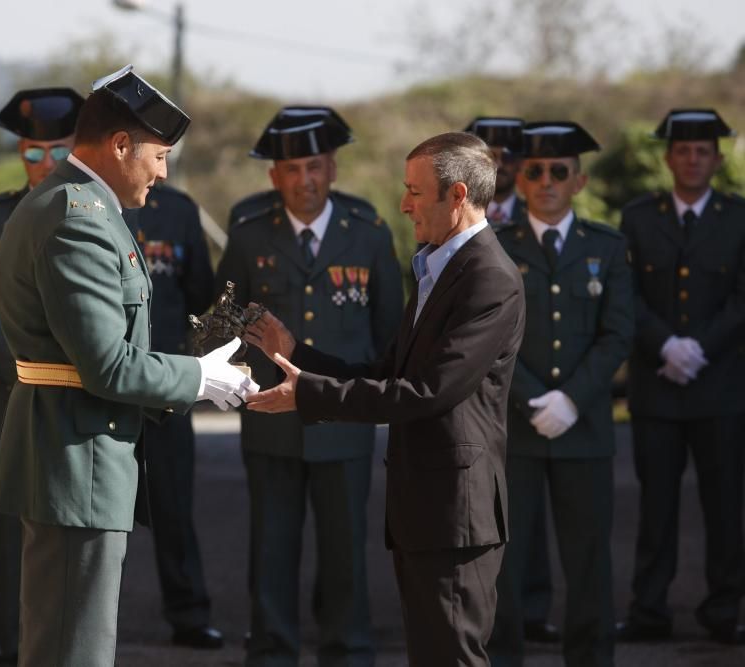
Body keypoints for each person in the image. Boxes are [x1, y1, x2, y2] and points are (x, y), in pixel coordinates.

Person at [0, 65, 257, 667]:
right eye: (159, 156)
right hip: (77, 454)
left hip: (72, 449)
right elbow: (108, 365)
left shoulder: (73, 204)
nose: (162, 172)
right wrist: (200, 379)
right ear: (119, 145)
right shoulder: (80, 218)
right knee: (73, 647)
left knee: (65, 637)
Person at [246, 131, 526, 667]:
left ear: (459, 195)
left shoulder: (489, 277)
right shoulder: (435, 269)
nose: (403, 205)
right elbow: (384, 374)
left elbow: (428, 392)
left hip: (456, 513)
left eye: (415, 192)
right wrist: (299, 355)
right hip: (425, 509)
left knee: (453, 658)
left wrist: (308, 394)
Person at [215, 105, 404, 666]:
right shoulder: (249, 235)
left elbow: (388, 333)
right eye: (293, 170)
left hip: (343, 420)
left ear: (334, 169)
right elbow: (225, 327)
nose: (306, 180)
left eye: (316, 166)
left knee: (346, 547)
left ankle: (348, 649)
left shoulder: (367, 232)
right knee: (272, 546)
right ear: (274, 177)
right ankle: (273, 650)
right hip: (272, 420)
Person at [488, 122, 634, 667]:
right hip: (516, 429)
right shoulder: (497, 247)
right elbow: (489, 336)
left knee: (589, 563)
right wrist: (531, 397)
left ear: (579, 181)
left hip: (585, 428)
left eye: (558, 171)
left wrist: (571, 397)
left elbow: (618, 332)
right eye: (534, 171)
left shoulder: (608, 247)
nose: (546, 180)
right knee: (504, 558)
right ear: (520, 179)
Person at [0, 87, 83, 666]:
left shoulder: (94, 211)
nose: (46, 164)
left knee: (79, 538)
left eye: (58, 152)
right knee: (12, 538)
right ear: (21, 154)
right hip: (7, 397)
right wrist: (28, 371)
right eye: (34, 153)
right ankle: (15, 652)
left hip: (80, 399)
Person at [616, 109, 745, 645]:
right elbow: (627, 294)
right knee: (657, 506)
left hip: (722, 387)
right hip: (658, 385)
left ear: (717, 159)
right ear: (668, 158)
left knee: (725, 506)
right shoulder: (638, 217)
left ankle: (724, 611)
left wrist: (700, 346)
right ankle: (649, 610)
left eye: (703, 151)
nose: (692, 159)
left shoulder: (740, 217)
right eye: (683, 151)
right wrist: (665, 344)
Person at [467, 116, 561, 645]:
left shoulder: (534, 220)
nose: (501, 160)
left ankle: (533, 605)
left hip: (534, 384)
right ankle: (497, 617)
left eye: (510, 152)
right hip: (492, 387)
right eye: (490, 150)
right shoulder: (462, 218)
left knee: (531, 512)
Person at [122, 184, 224, 649]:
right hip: (100, 386)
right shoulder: (90, 201)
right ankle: (86, 618)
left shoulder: (180, 211)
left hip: (164, 384)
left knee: (174, 509)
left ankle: (189, 614)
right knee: (93, 512)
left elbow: (199, 292)